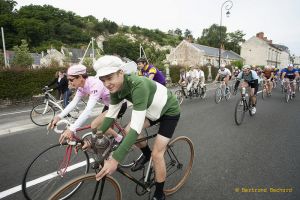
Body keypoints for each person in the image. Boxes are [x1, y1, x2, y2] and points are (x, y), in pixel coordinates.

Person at [93, 55, 180, 200]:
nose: (107, 84)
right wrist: (95, 135)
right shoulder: (116, 89)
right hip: (151, 111)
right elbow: (110, 116)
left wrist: (115, 159)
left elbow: (136, 128)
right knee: (127, 131)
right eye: (103, 80)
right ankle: (146, 154)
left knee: (157, 155)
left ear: (121, 72)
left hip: (169, 111)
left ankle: (159, 194)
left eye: (109, 78)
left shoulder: (138, 85)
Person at [50, 64, 124, 144]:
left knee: (95, 125)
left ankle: (119, 139)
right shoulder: (81, 87)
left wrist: (72, 128)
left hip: (118, 105)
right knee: (105, 134)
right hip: (108, 105)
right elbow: (73, 103)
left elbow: (88, 110)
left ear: (80, 77)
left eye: (71, 80)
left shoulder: (94, 84)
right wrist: (59, 116)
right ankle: (111, 144)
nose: (69, 83)